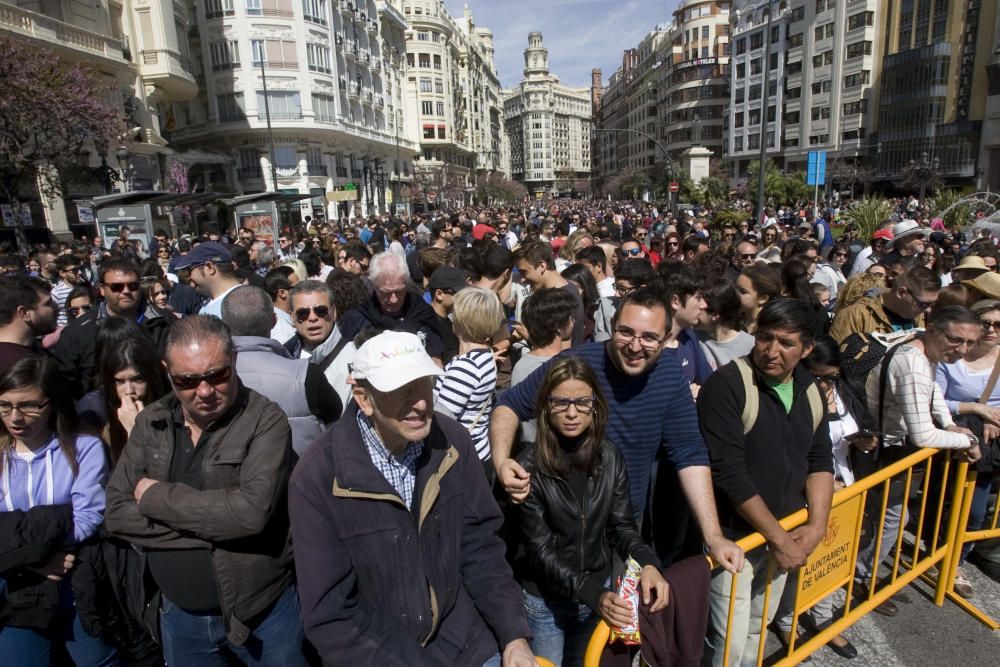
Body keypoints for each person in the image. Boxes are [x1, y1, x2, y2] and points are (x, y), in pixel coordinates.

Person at [287, 331, 536, 666]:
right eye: (401, 391)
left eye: (424, 386)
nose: (419, 403)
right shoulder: (318, 476)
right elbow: (332, 614)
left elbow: (481, 548)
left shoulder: (453, 441)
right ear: (363, 398)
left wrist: (513, 636)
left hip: (468, 644)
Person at [491, 288, 745, 571]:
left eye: (649, 337)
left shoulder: (670, 375)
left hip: (624, 522)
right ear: (612, 327)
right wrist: (502, 461)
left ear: (666, 340)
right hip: (560, 520)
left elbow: (689, 453)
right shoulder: (577, 364)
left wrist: (713, 536)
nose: (636, 346)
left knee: (614, 606)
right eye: (626, 332)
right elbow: (510, 406)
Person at [105, 316, 306, 666]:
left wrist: (153, 498)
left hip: (262, 616)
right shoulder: (150, 422)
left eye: (217, 375)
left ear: (234, 361)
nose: (205, 391)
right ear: (167, 372)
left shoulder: (265, 420)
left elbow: (251, 514)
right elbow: (118, 514)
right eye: (187, 380)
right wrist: (219, 526)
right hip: (181, 621)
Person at [699, 299, 835, 667]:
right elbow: (730, 474)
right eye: (765, 338)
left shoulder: (810, 389)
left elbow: (820, 459)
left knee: (759, 629)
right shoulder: (728, 386)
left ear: (807, 348)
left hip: (784, 536)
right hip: (737, 542)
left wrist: (817, 525)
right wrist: (779, 538)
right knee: (728, 643)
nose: (772, 352)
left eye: (786, 343)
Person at [513, 358, 668, 666]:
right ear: (545, 406)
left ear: (595, 405)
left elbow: (622, 526)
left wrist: (647, 562)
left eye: (582, 402)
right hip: (547, 603)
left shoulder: (609, 455)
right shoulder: (528, 465)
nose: (572, 413)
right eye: (561, 402)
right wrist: (593, 593)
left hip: (597, 595)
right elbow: (540, 550)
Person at [857, 306, 983, 615]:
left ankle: (860, 574)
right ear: (933, 329)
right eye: (956, 340)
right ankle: (861, 580)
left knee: (888, 520)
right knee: (886, 520)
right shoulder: (912, 362)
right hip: (884, 449)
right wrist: (968, 440)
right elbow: (923, 436)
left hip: (890, 447)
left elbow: (933, 393)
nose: (963, 350)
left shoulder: (922, 345)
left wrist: (948, 422)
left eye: (970, 343)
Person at [0, 357, 117, 665]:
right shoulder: (1, 454)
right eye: (5, 405)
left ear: (52, 403)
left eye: (28, 406)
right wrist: (34, 559)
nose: (15, 417)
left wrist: (18, 540)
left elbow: (88, 516)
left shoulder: (84, 448)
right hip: (18, 588)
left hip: (76, 584)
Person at [772, 336, 873, 659]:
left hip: (846, 490)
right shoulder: (793, 397)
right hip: (807, 496)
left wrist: (865, 442)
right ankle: (787, 620)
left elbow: (853, 432)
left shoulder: (844, 392)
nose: (825, 383)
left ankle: (823, 616)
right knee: (800, 560)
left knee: (835, 557)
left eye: (831, 377)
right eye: (818, 376)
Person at [223, 286, 342, 455]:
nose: (313, 318)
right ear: (274, 320)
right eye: (302, 313)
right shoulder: (305, 374)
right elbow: (335, 413)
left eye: (321, 311)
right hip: (299, 473)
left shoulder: (207, 378)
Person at [934, 299, 1000, 598]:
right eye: (985, 322)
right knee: (938, 503)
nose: (991, 330)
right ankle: (935, 552)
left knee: (975, 513)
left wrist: (995, 419)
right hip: (950, 440)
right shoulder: (951, 357)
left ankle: (955, 562)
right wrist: (975, 409)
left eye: (998, 325)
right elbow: (934, 399)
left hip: (987, 448)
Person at [54, 258, 171, 399]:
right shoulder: (78, 332)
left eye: (133, 286)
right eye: (117, 287)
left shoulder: (165, 321)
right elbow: (65, 385)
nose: (126, 291)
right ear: (102, 290)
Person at [433, 287, 504, 465]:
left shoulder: (465, 367)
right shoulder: (486, 356)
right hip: (479, 452)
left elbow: (442, 419)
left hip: (462, 459)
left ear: (462, 322)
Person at [337, 250, 444, 362]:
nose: (394, 300)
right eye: (386, 293)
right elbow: (347, 361)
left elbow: (436, 360)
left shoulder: (422, 312)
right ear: (374, 286)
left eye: (399, 291)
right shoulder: (357, 318)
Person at [78, 335, 169, 465]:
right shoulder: (96, 410)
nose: (129, 391)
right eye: (119, 381)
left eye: (138, 379)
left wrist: (136, 430)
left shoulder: (171, 410)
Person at [830, 266, 940, 342]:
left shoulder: (920, 316)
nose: (928, 310)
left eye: (933, 304)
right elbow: (834, 363)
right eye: (923, 304)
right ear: (902, 293)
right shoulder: (855, 315)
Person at [0, 274, 58, 374]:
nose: (56, 307)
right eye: (48, 303)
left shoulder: (35, 351)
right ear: (24, 313)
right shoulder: (20, 369)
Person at [696, 277, 755, 370]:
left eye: (699, 308)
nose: (694, 310)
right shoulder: (691, 338)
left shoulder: (751, 346)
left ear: (714, 314)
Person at [173, 242, 244, 318]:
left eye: (189, 271)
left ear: (210, 267)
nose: (189, 278)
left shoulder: (240, 305)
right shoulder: (211, 301)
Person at [735, 264, 781, 335]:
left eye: (743, 291)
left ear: (763, 298)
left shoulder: (770, 331)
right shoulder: (733, 320)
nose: (735, 293)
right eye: (735, 288)